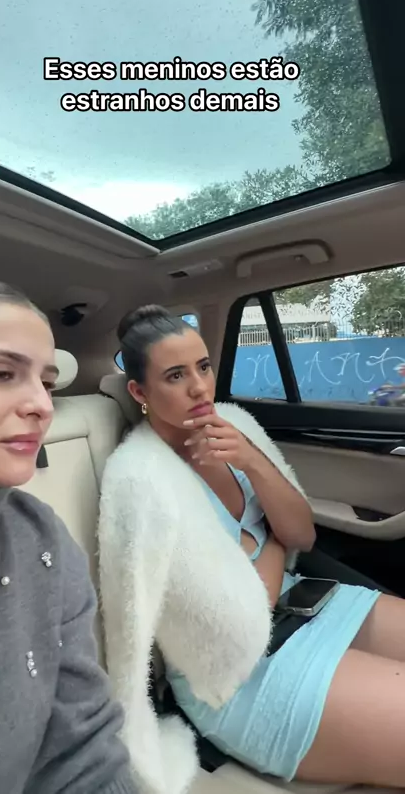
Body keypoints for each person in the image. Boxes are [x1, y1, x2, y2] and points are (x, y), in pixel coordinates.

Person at [100, 304, 405, 790]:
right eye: (175, 375)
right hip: (236, 675)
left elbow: (301, 534)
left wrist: (254, 461)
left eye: (203, 367)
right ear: (139, 392)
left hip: (302, 605)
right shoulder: (141, 479)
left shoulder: (232, 425)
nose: (200, 387)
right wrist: (275, 546)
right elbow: (239, 619)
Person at [0, 278, 137, 794]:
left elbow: (83, 750)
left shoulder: (42, 538)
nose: (42, 405)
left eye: (47, 383)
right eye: (2, 374)